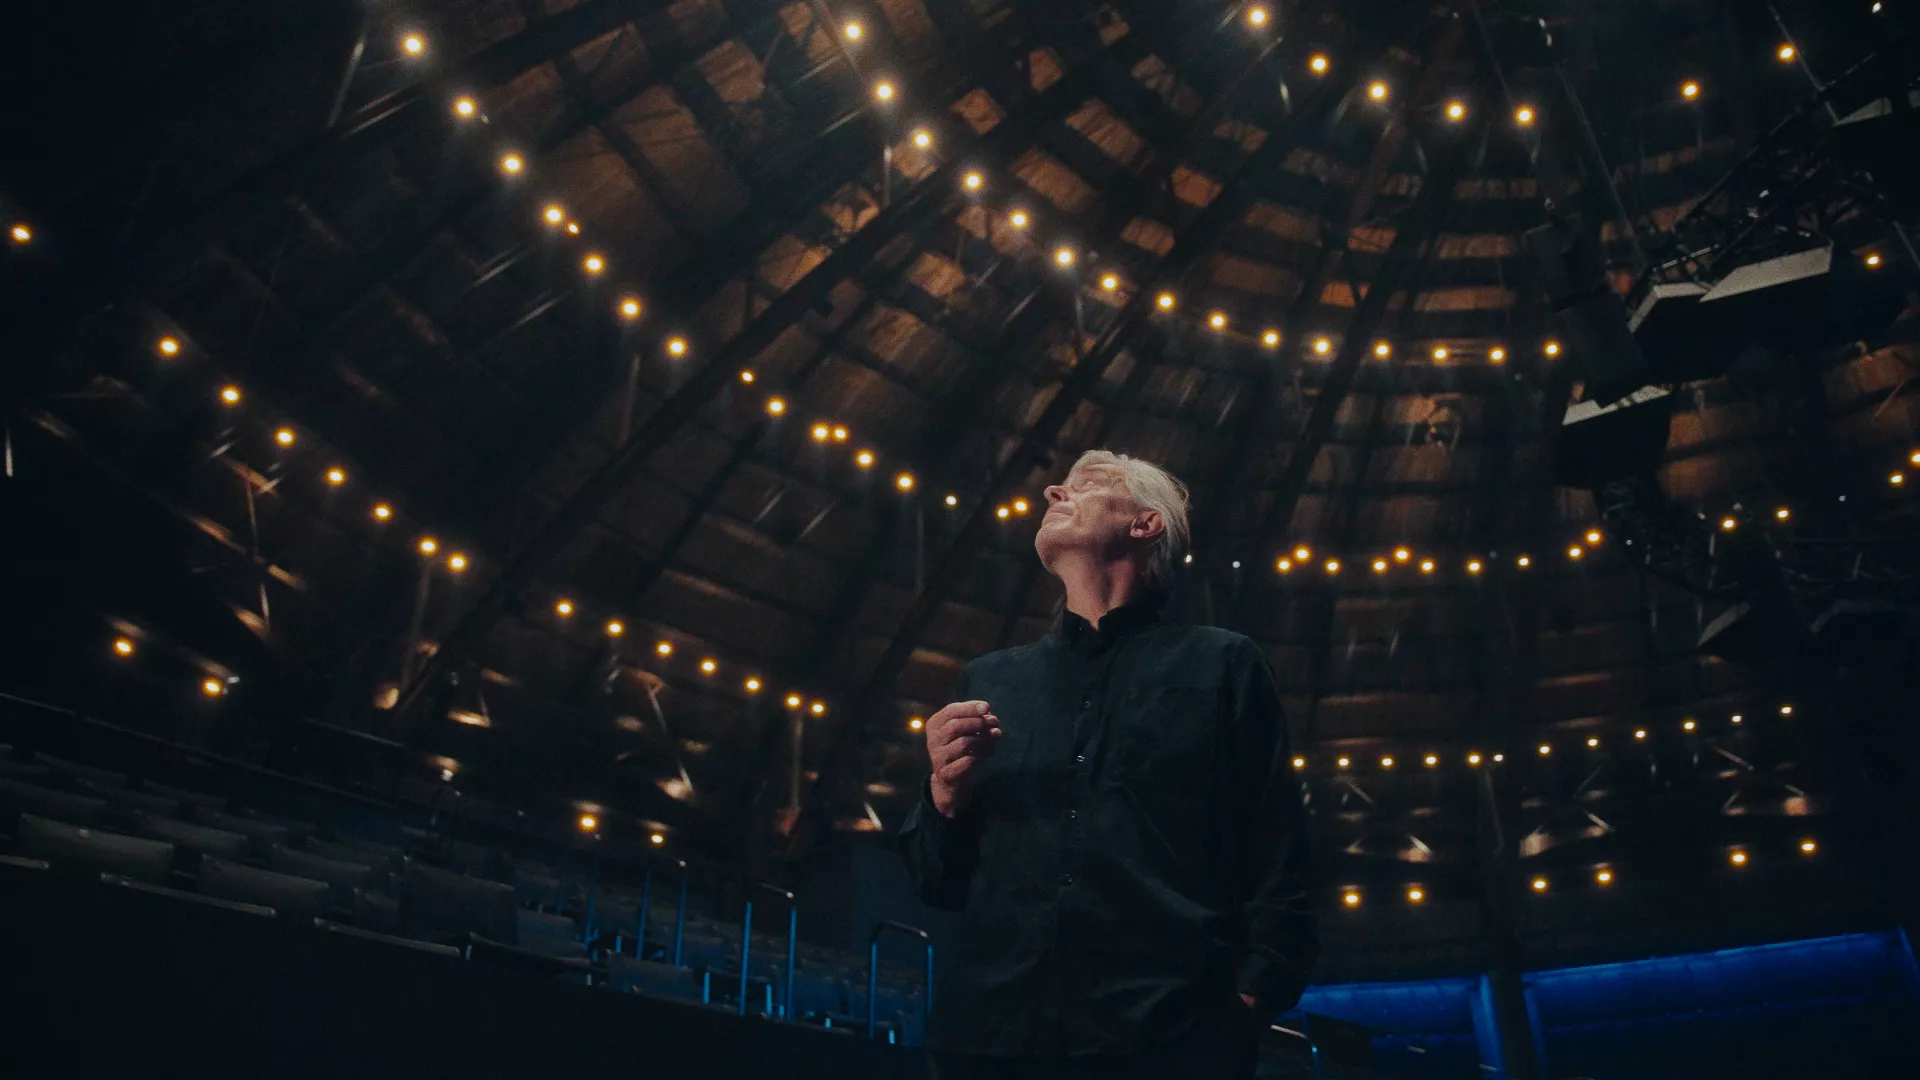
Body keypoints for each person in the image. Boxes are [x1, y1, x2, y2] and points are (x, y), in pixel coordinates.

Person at [898, 450, 1317, 1079]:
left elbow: (1278, 847)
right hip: (990, 1039)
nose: (1052, 492)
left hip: (1168, 1038)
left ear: (1146, 524)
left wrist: (1247, 1003)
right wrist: (943, 796)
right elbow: (938, 885)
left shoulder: (1223, 664)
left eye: (1089, 484)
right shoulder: (989, 680)